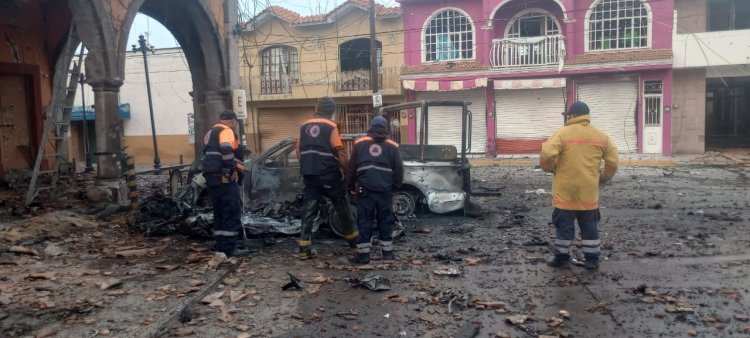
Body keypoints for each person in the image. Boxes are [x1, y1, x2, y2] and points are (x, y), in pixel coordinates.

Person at [539, 101, 619, 270]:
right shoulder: (601, 136)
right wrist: (603, 178)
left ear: (573, 116)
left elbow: (547, 154)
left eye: (568, 115)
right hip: (588, 193)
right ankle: (592, 260)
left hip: (565, 192)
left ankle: (562, 258)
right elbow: (613, 161)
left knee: (564, 227)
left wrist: (549, 168)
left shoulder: (562, 134)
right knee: (589, 227)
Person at [296, 97, 359, 260]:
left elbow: (298, 150)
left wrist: (306, 166)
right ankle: (355, 246)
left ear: (317, 109)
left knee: (309, 210)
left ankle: (303, 249)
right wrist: (347, 173)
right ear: (331, 110)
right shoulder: (331, 126)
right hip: (329, 175)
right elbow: (341, 152)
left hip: (309, 174)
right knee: (343, 207)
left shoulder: (304, 126)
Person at [347, 116, 404, 264]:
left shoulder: (360, 143)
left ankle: (364, 255)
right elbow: (399, 169)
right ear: (386, 129)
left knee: (364, 220)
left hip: (365, 190)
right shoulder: (392, 146)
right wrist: (395, 186)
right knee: (386, 220)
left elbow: (351, 167)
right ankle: (388, 254)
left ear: (371, 126)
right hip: (385, 190)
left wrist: (350, 185)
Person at [201, 110, 248, 257]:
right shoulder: (226, 131)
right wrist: (231, 168)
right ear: (233, 120)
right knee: (231, 210)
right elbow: (227, 149)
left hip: (212, 177)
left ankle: (221, 245)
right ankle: (230, 248)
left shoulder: (210, 132)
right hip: (224, 177)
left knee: (219, 212)